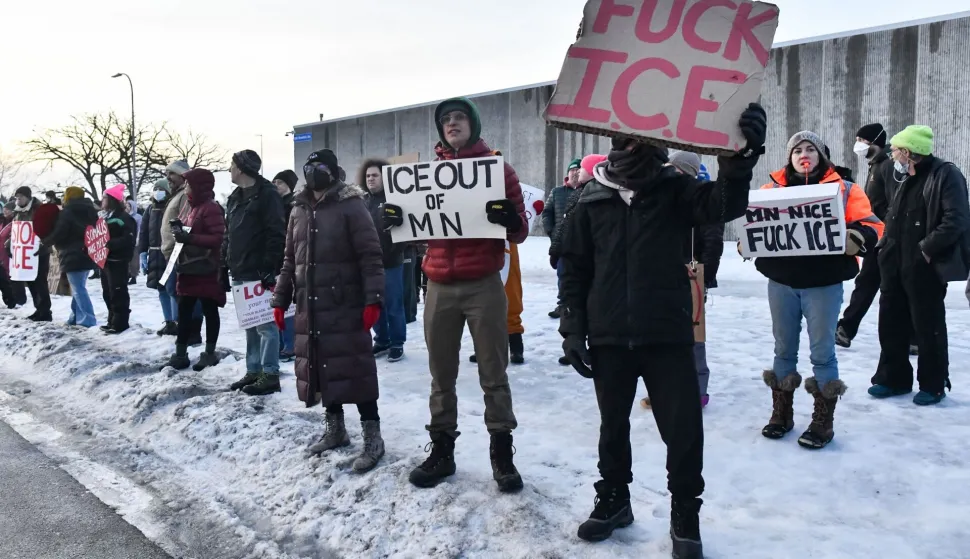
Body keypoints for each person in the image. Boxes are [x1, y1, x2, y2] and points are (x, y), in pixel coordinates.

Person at [558, 105, 766, 552]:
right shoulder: (591, 196)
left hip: (668, 332)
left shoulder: (677, 189)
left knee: (683, 427)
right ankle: (614, 498)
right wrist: (573, 327)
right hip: (609, 334)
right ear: (614, 140)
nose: (633, 143)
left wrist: (738, 159)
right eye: (626, 137)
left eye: (642, 137)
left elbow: (725, 205)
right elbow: (573, 266)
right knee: (612, 425)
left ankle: (685, 512)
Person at [382, 97, 528, 493]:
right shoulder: (425, 177)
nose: (452, 124)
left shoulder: (500, 171)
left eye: (459, 117)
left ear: (474, 125)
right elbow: (414, 228)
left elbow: (520, 232)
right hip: (439, 285)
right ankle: (442, 451)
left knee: (493, 374)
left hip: (483, 282)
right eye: (445, 119)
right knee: (440, 375)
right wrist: (396, 218)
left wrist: (511, 219)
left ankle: (502, 455)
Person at [751, 131, 882, 450]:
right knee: (783, 349)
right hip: (781, 281)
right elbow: (755, 222)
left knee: (822, 351)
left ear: (822, 154)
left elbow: (874, 224)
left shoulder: (845, 189)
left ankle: (823, 421)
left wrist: (859, 236)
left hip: (824, 283)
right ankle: (781, 414)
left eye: (810, 148)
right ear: (789, 156)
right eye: (797, 149)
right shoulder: (771, 190)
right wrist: (748, 237)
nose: (803, 153)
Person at [271, 149, 386, 473]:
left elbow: (370, 256)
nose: (313, 172)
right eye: (309, 167)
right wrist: (280, 300)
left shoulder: (351, 206)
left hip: (345, 304)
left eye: (320, 167)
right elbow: (290, 260)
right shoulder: (298, 210)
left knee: (356, 371)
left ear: (334, 172)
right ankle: (335, 430)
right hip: (312, 305)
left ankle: (373, 439)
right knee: (323, 368)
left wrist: (373, 300)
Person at [870, 125, 970, 406]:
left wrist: (927, 250)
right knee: (890, 321)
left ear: (908, 152)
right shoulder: (900, 176)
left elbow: (956, 219)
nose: (891, 155)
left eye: (895, 150)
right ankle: (893, 378)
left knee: (928, 326)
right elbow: (890, 213)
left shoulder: (945, 174)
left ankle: (933, 384)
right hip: (893, 261)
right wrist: (885, 246)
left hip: (923, 265)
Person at [637, 153, 722, 411]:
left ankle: (698, 390)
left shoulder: (701, 198)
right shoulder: (656, 196)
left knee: (693, 338)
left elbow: (713, 241)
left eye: (673, 169)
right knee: (659, 335)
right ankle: (661, 388)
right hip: (658, 276)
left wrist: (704, 276)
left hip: (691, 276)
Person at [224, 150, 287, 396]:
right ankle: (253, 370)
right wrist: (224, 262)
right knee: (249, 323)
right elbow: (229, 234)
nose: (229, 170)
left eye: (232, 165)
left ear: (241, 168)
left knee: (265, 325)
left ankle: (270, 373)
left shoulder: (267, 195)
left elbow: (276, 232)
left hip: (259, 270)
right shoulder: (235, 197)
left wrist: (269, 267)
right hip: (239, 268)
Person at [834, 124, 902, 349]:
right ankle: (910, 338)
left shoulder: (887, 166)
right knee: (874, 284)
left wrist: (884, 233)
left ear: (875, 142)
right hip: (878, 237)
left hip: (885, 238)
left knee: (870, 283)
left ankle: (846, 328)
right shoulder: (876, 166)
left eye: (862, 140)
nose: (858, 145)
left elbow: (895, 203)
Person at [163, 169, 227, 372]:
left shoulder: (211, 208)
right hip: (189, 267)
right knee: (184, 310)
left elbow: (218, 238)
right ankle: (180, 353)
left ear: (199, 186)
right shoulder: (191, 207)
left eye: (189, 184)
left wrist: (189, 238)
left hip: (205, 267)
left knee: (209, 309)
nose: (186, 187)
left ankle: (209, 352)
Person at [549, 154, 606, 366]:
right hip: (568, 253)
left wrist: (558, 247)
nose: (576, 172)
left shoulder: (588, 196)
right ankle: (573, 341)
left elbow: (569, 227)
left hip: (577, 256)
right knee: (569, 295)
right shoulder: (566, 193)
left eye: (581, 168)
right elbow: (558, 221)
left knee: (576, 297)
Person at [360, 158, 407, 362]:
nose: (371, 179)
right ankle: (382, 340)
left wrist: (395, 250)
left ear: (384, 177)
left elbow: (406, 228)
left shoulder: (395, 199)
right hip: (369, 265)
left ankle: (397, 342)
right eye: (368, 175)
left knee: (394, 305)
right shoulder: (362, 201)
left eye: (375, 175)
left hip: (391, 262)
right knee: (374, 303)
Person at [160, 159, 204, 344]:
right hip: (173, 252)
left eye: (171, 174)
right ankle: (184, 328)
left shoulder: (185, 196)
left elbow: (188, 224)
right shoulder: (177, 195)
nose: (167, 178)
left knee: (185, 293)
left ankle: (191, 332)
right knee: (174, 290)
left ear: (182, 176)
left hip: (181, 253)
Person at [42, 186, 99, 327]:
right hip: (88, 251)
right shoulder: (91, 211)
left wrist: (46, 241)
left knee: (79, 289)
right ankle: (75, 317)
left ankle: (88, 319)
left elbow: (61, 231)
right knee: (78, 287)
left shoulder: (67, 212)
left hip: (71, 253)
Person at [542, 158, 583, 319]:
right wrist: (551, 231)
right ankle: (562, 305)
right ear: (568, 173)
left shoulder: (588, 190)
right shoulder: (557, 192)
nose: (575, 172)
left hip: (581, 242)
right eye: (572, 170)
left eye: (579, 170)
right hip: (562, 243)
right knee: (563, 275)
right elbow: (547, 212)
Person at [9, 187, 53, 321]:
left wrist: (44, 244)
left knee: (40, 281)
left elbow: (47, 228)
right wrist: (10, 245)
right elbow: (16, 230)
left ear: (28, 197)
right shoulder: (17, 211)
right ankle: (38, 309)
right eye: (16, 197)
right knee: (31, 281)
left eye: (20, 197)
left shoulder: (39, 209)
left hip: (39, 251)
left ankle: (45, 311)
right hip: (24, 252)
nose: (18, 200)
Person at [100, 184, 138, 334]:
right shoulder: (104, 217)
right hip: (105, 261)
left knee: (118, 291)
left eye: (104, 197)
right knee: (107, 291)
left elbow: (129, 240)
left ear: (112, 200)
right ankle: (111, 319)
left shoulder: (124, 218)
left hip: (118, 261)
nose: (102, 200)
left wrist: (110, 244)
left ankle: (120, 322)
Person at [140, 179, 176, 335]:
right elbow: (144, 232)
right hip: (155, 253)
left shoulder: (172, 207)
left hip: (169, 253)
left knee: (172, 289)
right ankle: (168, 321)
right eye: (155, 189)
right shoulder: (150, 210)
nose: (157, 192)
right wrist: (142, 252)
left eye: (160, 189)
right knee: (160, 288)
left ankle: (176, 321)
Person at [272, 170, 299, 362]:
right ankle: (282, 343)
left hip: (289, 258)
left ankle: (290, 345)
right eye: (274, 182)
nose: (276, 185)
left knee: (288, 303)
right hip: (277, 260)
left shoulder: (293, 205)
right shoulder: (274, 205)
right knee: (278, 302)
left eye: (280, 182)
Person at [127, 199, 142, 285]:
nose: (127, 208)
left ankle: (134, 276)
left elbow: (140, 228)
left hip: (135, 240)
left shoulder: (138, 217)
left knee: (134, 259)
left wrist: (138, 239)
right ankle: (128, 273)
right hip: (127, 241)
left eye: (129, 206)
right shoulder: (125, 216)